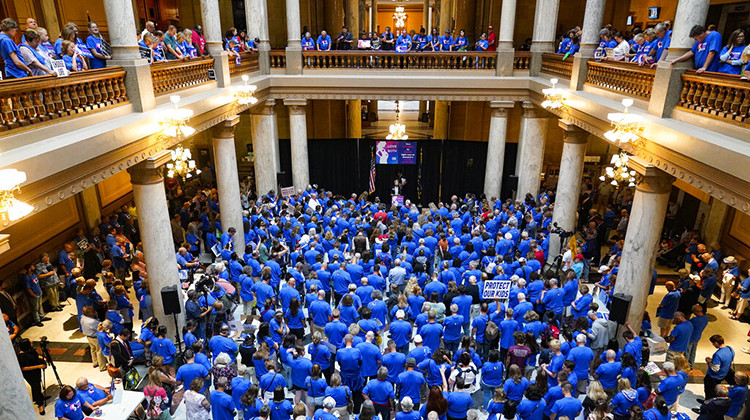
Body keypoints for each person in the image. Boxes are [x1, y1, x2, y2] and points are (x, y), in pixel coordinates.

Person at [17, 338, 47, 415]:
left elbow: (36, 356)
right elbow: (24, 368)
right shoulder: (22, 356)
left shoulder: (31, 350)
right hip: (30, 374)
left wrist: (42, 358)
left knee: (38, 384)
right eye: (30, 342)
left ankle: (40, 397)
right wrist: (38, 366)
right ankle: (40, 405)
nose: (32, 342)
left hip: (36, 371)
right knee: (35, 387)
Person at [702, 334, 735, 400]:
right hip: (724, 373)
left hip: (714, 376)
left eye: (713, 343)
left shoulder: (718, 354)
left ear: (716, 343)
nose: (713, 345)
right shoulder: (730, 349)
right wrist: (713, 360)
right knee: (715, 390)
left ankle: (708, 404)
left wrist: (709, 362)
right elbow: (726, 360)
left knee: (710, 392)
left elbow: (715, 369)